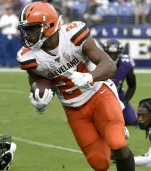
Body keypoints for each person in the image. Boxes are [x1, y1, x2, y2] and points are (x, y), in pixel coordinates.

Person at [16, 2, 135, 171]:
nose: (27, 34)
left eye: (31, 28)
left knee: (117, 143)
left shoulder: (73, 35)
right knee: (99, 164)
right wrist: (37, 95)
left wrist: (89, 76)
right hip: (73, 108)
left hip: (98, 93)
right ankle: (108, 131)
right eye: (25, 29)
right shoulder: (28, 57)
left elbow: (109, 65)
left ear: (48, 25)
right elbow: (36, 80)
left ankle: (113, 131)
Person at [103, 39, 137, 126]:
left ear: (119, 54)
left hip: (118, 94)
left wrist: (124, 102)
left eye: (114, 54)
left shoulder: (126, 64)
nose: (111, 56)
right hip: (100, 95)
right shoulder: (97, 62)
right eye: (109, 53)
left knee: (132, 120)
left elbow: (132, 86)